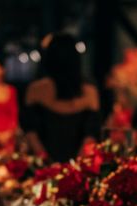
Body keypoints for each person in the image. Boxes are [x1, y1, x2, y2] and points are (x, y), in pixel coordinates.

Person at [23, 33, 100, 162]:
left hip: (43, 167)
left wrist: (47, 163)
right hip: (78, 166)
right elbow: (90, 135)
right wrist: (75, 166)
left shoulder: (35, 90)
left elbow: (31, 133)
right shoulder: (90, 92)